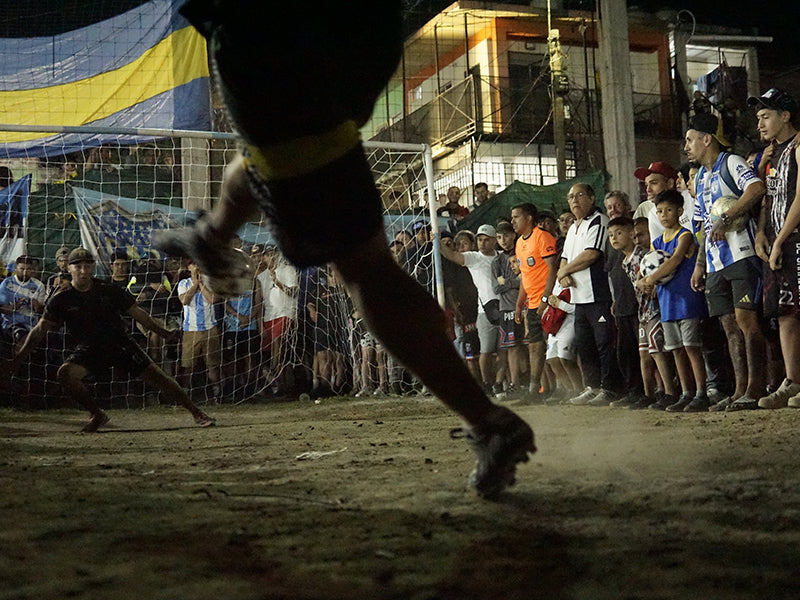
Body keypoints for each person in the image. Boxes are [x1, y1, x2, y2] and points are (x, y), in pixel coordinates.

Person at [152, 1, 534, 500]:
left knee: (367, 272)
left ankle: (487, 420)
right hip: (314, 67)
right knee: (260, 165)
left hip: (289, 79)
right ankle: (212, 235)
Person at [5, 248, 214, 432]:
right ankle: (97, 414)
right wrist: (19, 357)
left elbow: (139, 314)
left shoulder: (108, 289)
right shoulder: (61, 298)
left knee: (159, 378)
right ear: (69, 269)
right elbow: (41, 328)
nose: (83, 270)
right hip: (89, 349)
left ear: (94, 267)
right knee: (65, 374)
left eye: (88, 265)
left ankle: (197, 412)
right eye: (78, 266)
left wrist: (165, 333)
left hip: (119, 344)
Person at [686, 112, 768, 411]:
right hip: (714, 262)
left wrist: (727, 216)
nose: (687, 146)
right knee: (729, 326)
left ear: (706, 139)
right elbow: (700, 226)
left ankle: (756, 388)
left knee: (747, 320)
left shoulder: (730, 162)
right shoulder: (703, 177)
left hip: (741, 253)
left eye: (690, 139)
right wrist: (698, 264)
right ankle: (739, 390)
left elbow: (757, 188)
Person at [749, 89, 800, 409]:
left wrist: (780, 238)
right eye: (758, 118)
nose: (760, 123)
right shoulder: (771, 154)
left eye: (766, 116)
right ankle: (793, 382)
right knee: (784, 313)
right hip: (776, 241)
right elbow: (768, 198)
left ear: (785, 116)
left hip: (795, 239)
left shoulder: (798, 146)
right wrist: (760, 235)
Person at [642, 190, 709, 412]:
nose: (663, 215)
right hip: (667, 302)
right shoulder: (656, 243)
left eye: (668, 210)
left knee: (692, 346)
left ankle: (701, 393)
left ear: (680, 211)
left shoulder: (685, 235)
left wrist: (651, 278)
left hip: (687, 300)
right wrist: (644, 281)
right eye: (659, 211)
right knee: (676, 349)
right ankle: (686, 393)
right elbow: (649, 266)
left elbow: (677, 259)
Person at [557, 184, 620, 406]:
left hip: (598, 294)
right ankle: (592, 387)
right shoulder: (573, 227)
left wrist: (564, 271)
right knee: (586, 346)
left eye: (579, 195)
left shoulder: (598, 220)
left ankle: (610, 388)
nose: (574, 200)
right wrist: (562, 272)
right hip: (578, 297)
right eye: (570, 196)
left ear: (592, 198)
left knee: (605, 343)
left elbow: (592, 254)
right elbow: (564, 257)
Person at [610, 216, 677, 410]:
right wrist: (640, 283)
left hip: (654, 309)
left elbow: (657, 276)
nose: (614, 238)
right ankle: (648, 394)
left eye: (619, 233)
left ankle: (669, 392)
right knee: (644, 354)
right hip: (642, 312)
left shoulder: (645, 255)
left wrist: (649, 283)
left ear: (632, 235)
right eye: (611, 235)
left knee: (657, 351)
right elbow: (637, 284)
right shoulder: (624, 262)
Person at [440, 224, 503, 396]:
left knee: (505, 350)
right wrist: (437, 241)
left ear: (494, 241)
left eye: (486, 239)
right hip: (484, 311)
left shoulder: (502, 257)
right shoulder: (473, 257)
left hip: (506, 306)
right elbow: (452, 255)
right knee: (486, 350)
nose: (482, 243)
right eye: (480, 239)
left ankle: (501, 383)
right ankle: (487, 384)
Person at [509, 203, 558, 403]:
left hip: (550, 302)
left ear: (529, 218)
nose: (512, 221)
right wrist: (519, 305)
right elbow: (525, 277)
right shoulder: (519, 243)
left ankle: (564, 389)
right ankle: (534, 390)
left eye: (516, 217)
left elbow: (553, 270)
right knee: (535, 347)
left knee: (556, 346)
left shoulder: (542, 237)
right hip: (532, 304)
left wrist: (545, 299)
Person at [603, 191, 644, 407]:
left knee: (643, 350)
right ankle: (632, 390)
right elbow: (611, 271)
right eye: (609, 207)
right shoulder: (611, 239)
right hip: (620, 302)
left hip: (639, 303)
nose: (613, 209)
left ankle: (648, 391)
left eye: (617, 205)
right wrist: (613, 299)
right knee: (624, 351)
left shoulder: (637, 234)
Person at [177, 260, 224, 403]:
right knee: (188, 366)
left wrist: (201, 283)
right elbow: (184, 300)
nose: (197, 266)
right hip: (190, 330)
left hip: (210, 328)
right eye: (193, 264)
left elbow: (212, 299)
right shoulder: (183, 283)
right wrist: (195, 283)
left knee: (213, 365)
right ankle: (185, 395)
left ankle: (217, 395)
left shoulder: (211, 281)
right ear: (189, 267)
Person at [491, 221, 526, 398]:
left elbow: (526, 280)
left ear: (513, 235)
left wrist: (508, 282)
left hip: (526, 305)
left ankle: (539, 384)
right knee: (512, 347)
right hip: (506, 308)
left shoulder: (523, 251)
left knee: (530, 346)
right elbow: (496, 288)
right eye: (499, 237)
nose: (503, 240)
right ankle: (515, 384)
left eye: (505, 235)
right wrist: (516, 282)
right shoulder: (497, 261)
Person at [0, 255, 46, 348]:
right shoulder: (7, 283)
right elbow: (2, 309)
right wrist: (15, 306)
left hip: (32, 324)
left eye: (28, 269)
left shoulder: (39, 285)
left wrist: (37, 306)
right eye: (22, 269)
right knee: (23, 337)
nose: (25, 272)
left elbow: (42, 311)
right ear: (16, 268)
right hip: (11, 324)